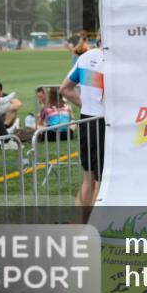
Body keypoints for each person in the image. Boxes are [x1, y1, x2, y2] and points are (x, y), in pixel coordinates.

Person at [59, 41, 104, 221]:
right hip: (106, 123)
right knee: (102, 182)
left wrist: (85, 106)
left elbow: (65, 89)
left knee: (88, 181)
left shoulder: (86, 57)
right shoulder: (118, 60)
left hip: (87, 120)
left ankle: (76, 227)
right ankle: (93, 229)